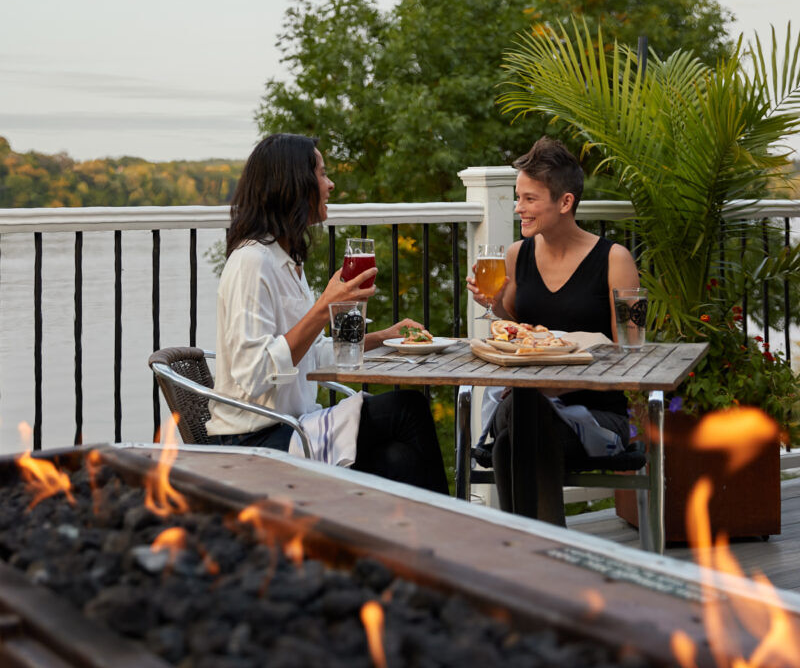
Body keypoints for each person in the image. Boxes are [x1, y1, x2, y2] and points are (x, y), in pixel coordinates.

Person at [206, 133, 448, 495]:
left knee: (400, 459)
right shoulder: (252, 262)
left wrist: (382, 337)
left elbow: (312, 356)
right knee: (407, 408)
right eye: (321, 174)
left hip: (292, 426)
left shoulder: (286, 263)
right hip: (255, 439)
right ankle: (455, 532)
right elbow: (251, 374)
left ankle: (412, 545)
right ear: (293, 186)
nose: (330, 184)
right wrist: (323, 308)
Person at [466, 136, 639, 525]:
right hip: (527, 410)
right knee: (522, 413)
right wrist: (492, 305)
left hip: (595, 416)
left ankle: (530, 552)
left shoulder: (614, 260)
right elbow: (512, 333)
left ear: (565, 202)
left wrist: (557, 384)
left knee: (513, 435)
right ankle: (547, 553)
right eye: (517, 197)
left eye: (530, 199)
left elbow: (631, 354)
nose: (518, 208)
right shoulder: (516, 256)